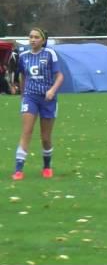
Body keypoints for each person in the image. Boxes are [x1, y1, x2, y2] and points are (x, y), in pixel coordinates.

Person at [11, 28, 64, 180]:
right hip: (30, 97)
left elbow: (60, 76)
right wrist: (23, 95)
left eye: (36, 37)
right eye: (30, 37)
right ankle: (18, 169)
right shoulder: (23, 56)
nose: (32, 39)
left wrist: (53, 90)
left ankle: (47, 166)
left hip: (48, 99)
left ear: (42, 40)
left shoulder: (49, 54)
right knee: (26, 131)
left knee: (45, 137)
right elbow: (22, 75)